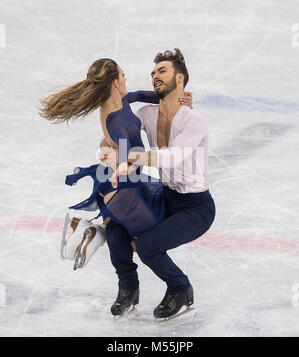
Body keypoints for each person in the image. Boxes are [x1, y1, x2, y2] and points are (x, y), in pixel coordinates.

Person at [39, 58, 192, 273]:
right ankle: (90, 229)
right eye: (123, 76)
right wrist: (124, 165)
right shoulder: (116, 120)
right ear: (115, 83)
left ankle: (94, 230)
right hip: (127, 183)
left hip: (127, 177)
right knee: (149, 233)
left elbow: (141, 95)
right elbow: (126, 154)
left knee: (121, 228)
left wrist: (176, 98)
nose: (125, 79)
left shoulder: (121, 103)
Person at [100, 48, 216, 319]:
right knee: (117, 229)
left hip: (195, 208)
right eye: (152, 73)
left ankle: (180, 288)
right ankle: (128, 287)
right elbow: (122, 131)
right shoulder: (147, 115)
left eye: (162, 71)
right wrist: (108, 149)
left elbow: (173, 157)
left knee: (148, 245)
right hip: (164, 196)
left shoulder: (193, 120)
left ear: (180, 78)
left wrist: (131, 157)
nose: (154, 76)